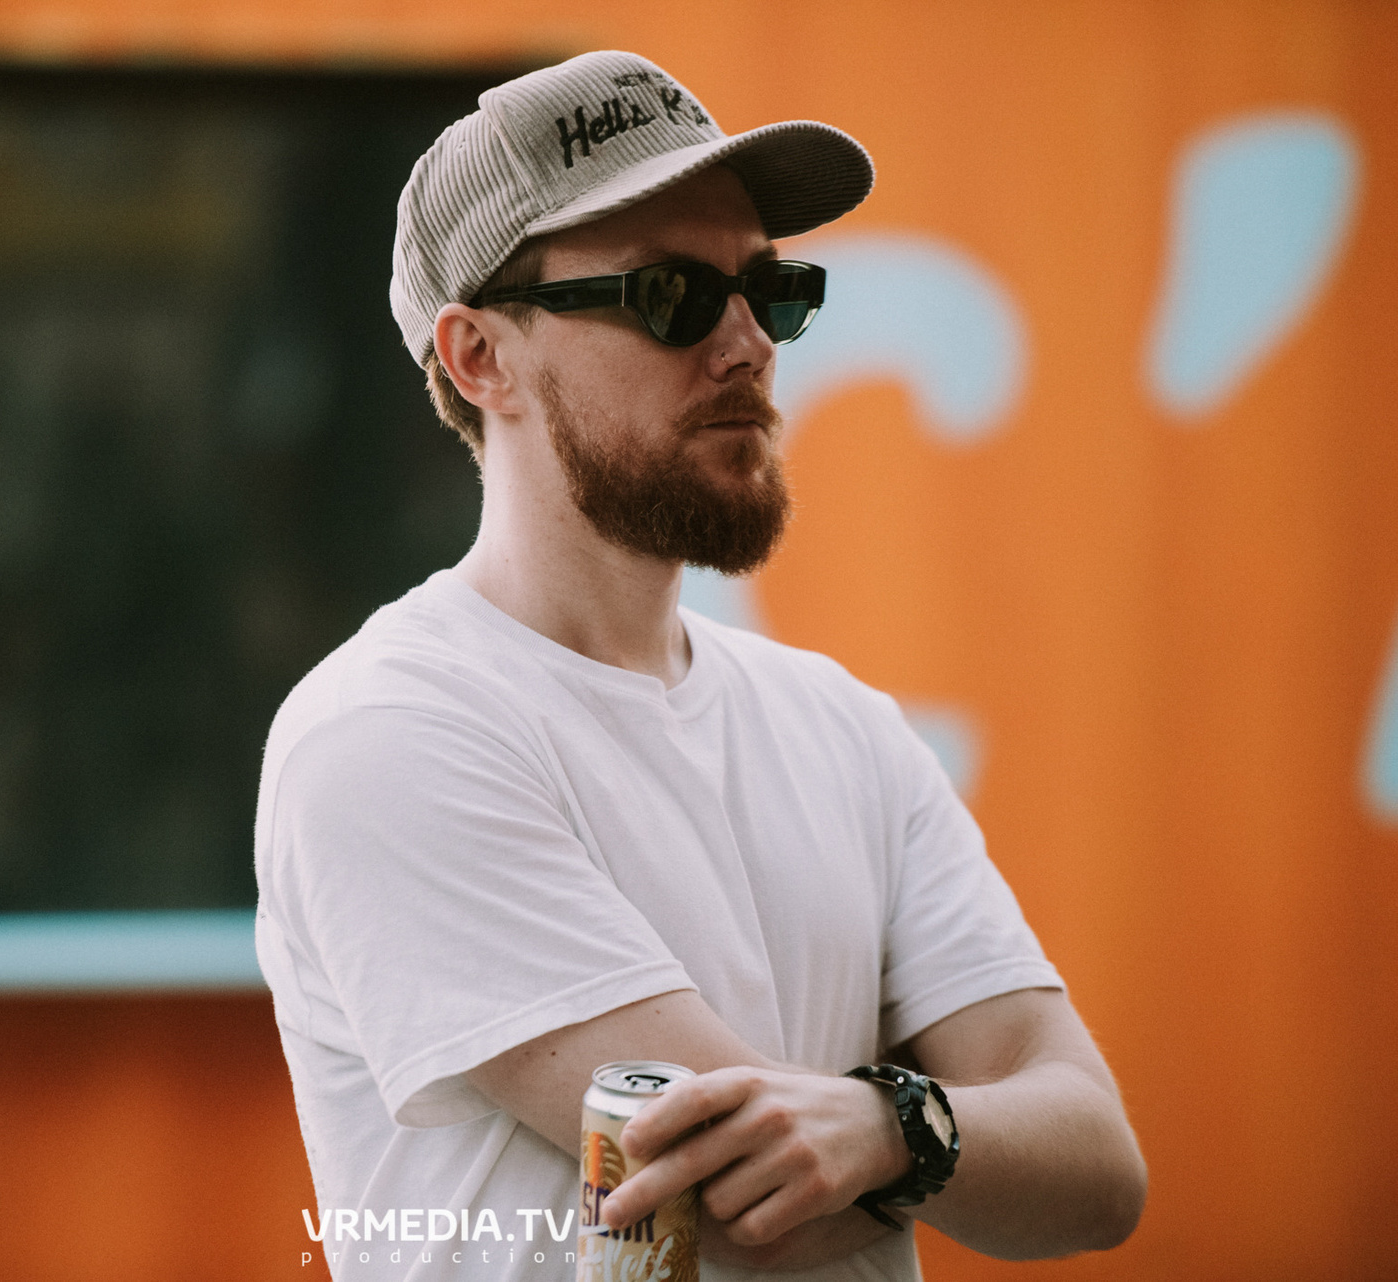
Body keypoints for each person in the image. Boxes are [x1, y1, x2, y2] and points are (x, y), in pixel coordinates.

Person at [254, 50, 1145, 1281]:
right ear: (480, 357)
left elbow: (1097, 1169)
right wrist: (945, 1133)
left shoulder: (842, 725)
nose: (748, 343)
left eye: (769, 289)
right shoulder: (392, 730)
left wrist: (885, 1126)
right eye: (670, 294)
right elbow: (734, 1197)